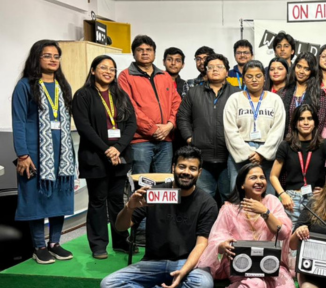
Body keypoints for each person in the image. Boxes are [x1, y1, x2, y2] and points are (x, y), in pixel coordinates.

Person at [100, 146, 217, 288]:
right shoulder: (155, 193)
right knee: (108, 284)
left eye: (192, 168)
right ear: (173, 168)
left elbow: (202, 244)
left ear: (199, 172)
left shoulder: (207, 203)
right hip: (152, 263)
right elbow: (121, 227)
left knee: (204, 286)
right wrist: (129, 207)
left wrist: (184, 271)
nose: (186, 172)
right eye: (182, 166)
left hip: (186, 263)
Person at [198, 163, 299, 288]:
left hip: (269, 263)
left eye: (262, 177)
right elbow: (217, 237)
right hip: (240, 263)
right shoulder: (230, 208)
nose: (259, 181)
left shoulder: (272, 202)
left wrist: (265, 212)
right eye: (253, 177)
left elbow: (283, 233)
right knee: (256, 287)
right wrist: (223, 245)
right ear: (242, 184)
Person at [11, 39, 76, 264]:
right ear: (36, 58)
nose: (53, 60)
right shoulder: (25, 86)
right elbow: (19, 121)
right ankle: (39, 246)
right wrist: (23, 154)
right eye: (47, 55)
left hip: (62, 153)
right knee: (36, 198)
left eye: (56, 56)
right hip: (34, 153)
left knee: (59, 197)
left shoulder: (63, 85)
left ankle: (55, 243)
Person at [72, 55, 137, 259]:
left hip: (120, 156)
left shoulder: (121, 95)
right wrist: (107, 150)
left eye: (112, 69)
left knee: (117, 200)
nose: (108, 72)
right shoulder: (83, 95)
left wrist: (118, 148)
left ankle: (121, 241)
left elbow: (131, 124)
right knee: (98, 201)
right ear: (93, 70)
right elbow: (84, 127)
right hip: (95, 156)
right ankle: (99, 244)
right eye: (103, 67)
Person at [177, 53, 236, 203]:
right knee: (203, 199)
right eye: (211, 67)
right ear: (206, 71)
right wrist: (190, 138)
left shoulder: (236, 94)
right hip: (201, 157)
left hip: (229, 157)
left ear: (227, 72)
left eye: (219, 67)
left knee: (229, 200)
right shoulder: (194, 92)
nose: (214, 70)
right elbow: (182, 117)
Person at [118, 35, 181, 175]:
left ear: (154, 53)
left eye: (149, 49)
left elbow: (176, 103)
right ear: (134, 53)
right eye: (140, 50)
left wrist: (170, 125)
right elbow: (129, 107)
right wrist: (152, 129)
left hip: (166, 140)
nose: (145, 53)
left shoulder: (165, 76)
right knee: (142, 183)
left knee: (164, 183)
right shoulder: (125, 76)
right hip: (140, 141)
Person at [224, 60, 285, 196]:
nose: (254, 80)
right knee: (238, 195)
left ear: (264, 78)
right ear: (244, 79)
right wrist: (248, 153)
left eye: (258, 76)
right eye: (249, 76)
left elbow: (278, 130)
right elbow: (230, 130)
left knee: (267, 195)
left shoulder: (275, 100)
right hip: (239, 153)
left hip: (267, 153)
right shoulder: (234, 99)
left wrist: (262, 154)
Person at [271, 104, 326, 226]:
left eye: (309, 118)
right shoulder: (286, 145)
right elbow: (273, 176)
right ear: (295, 123)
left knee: (313, 234)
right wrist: (283, 195)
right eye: (301, 119)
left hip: (316, 199)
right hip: (291, 200)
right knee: (290, 235)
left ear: (315, 122)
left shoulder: (324, 145)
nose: (306, 122)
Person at [278, 52, 326, 136]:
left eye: (306, 69)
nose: (301, 71)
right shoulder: (283, 92)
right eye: (299, 66)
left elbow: (320, 123)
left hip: (309, 141)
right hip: (286, 140)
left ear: (312, 71)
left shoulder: (319, 94)